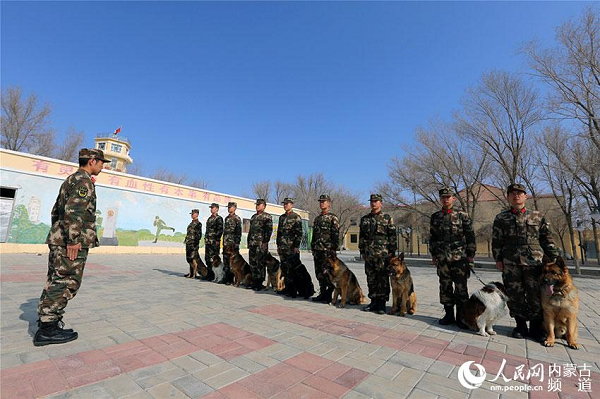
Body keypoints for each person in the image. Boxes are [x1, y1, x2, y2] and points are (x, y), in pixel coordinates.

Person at [35, 148, 109, 346]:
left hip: (61, 238)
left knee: (55, 280)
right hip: (71, 242)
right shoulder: (84, 182)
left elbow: (56, 211)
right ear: (92, 161)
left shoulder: (71, 180)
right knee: (65, 281)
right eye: (101, 162)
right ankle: (47, 329)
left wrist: (60, 235)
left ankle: (48, 322)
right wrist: (73, 240)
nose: (103, 166)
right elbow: (74, 211)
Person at [492, 183, 559, 340]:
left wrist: (553, 258)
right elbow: (496, 241)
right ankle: (520, 325)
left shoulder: (537, 216)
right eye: (512, 193)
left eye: (520, 193)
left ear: (525, 196)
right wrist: (498, 258)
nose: (516, 196)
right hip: (510, 262)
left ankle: (536, 327)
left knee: (535, 293)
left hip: (534, 262)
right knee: (515, 294)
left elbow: (547, 238)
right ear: (508, 197)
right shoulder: (501, 217)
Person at [429, 187, 476, 328]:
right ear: (440, 199)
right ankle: (448, 314)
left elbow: (470, 237)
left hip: (459, 257)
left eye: (448, 197)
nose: (446, 199)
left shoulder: (463, 216)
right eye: (443, 197)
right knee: (445, 286)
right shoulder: (435, 217)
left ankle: (462, 317)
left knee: (461, 288)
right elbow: (433, 237)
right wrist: (434, 255)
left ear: (453, 198)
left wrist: (470, 256)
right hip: (442, 258)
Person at [359, 194, 396, 314]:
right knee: (371, 278)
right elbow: (362, 236)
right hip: (369, 254)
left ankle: (382, 304)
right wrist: (362, 251)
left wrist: (392, 252)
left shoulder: (387, 218)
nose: (373, 203)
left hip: (383, 255)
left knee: (382, 278)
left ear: (381, 203)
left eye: (376, 201)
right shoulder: (365, 219)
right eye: (372, 201)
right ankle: (373, 301)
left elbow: (392, 236)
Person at [311, 194, 339, 303]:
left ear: (329, 203)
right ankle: (322, 293)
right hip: (317, 250)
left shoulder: (333, 218)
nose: (322, 203)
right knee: (318, 272)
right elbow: (314, 234)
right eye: (321, 201)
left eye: (324, 201)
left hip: (327, 251)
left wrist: (333, 249)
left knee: (328, 273)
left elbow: (335, 235)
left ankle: (328, 294)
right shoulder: (317, 218)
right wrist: (312, 247)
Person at [276, 198, 303, 295]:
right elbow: (279, 232)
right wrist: (278, 245)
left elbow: (299, 233)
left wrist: (296, 246)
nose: (285, 205)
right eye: (284, 204)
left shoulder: (296, 217)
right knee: (284, 268)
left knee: (292, 269)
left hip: (291, 248)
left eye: (287, 204)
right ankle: (286, 288)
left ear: (292, 205)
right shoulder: (282, 218)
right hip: (282, 247)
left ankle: (293, 290)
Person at [248, 199, 273, 291]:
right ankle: (254, 281)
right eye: (256, 205)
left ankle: (260, 282)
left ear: (264, 206)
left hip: (261, 243)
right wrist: (248, 242)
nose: (257, 206)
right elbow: (250, 231)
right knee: (252, 262)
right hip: (252, 243)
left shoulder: (267, 216)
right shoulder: (253, 217)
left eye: (259, 205)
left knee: (260, 263)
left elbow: (269, 230)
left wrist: (265, 242)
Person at [223, 201, 242, 284]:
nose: (229, 208)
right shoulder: (226, 218)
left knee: (233, 262)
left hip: (232, 244)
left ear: (234, 208)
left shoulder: (237, 218)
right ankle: (227, 278)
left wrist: (237, 243)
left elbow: (239, 231)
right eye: (228, 207)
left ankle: (232, 279)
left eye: (230, 207)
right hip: (226, 243)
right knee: (226, 261)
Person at [205, 203, 224, 268]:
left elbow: (220, 230)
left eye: (212, 208)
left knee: (214, 259)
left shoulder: (219, 218)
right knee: (207, 258)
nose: (211, 209)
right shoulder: (209, 218)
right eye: (211, 208)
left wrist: (217, 239)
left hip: (214, 242)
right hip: (208, 242)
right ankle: (209, 274)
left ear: (217, 209)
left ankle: (215, 275)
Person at [184, 209, 202, 276]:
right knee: (189, 259)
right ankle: (191, 273)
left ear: (197, 214)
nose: (191, 215)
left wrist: (196, 243)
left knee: (193, 259)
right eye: (191, 214)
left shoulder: (198, 224)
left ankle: (194, 274)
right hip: (188, 243)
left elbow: (198, 235)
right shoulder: (191, 223)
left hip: (193, 243)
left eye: (193, 214)